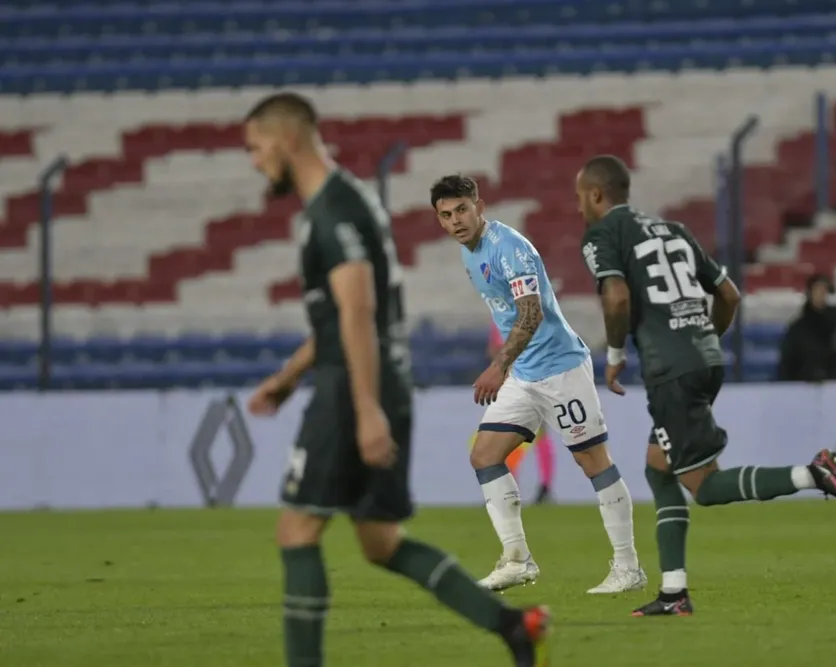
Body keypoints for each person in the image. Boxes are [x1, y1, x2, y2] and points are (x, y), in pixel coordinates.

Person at [241, 92, 549, 667]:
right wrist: (286, 380)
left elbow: (357, 314)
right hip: (373, 383)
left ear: (285, 139)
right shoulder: (343, 203)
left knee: (297, 531)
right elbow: (345, 314)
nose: (254, 161)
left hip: (352, 388)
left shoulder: (333, 210)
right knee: (380, 542)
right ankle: (513, 627)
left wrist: (365, 409)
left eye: (256, 148)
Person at [575, 154, 836, 618]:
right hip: (705, 357)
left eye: (580, 198)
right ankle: (674, 593)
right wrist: (704, 342)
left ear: (596, 195)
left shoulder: (602, 235)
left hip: (670, 371)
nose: (578, 208)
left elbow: (615, 297)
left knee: (705, 486)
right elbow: (729, 294)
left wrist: (614, 356)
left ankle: (815, 474)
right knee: (659, 465)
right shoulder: (673, 230)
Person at [431, 173, 646, 595]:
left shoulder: (508, 248)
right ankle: (517, 560)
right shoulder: (469, 254)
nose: (456, 220)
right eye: (446, 215)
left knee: (593, 463)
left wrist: (499, 365)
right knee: (485, 455)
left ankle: (628, 567)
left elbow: (531, 314)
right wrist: (510, 368)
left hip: (560, 369)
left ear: (480, 207)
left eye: (461, 210)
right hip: (525, 375)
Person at [488, 322, 556, 504]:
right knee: (516, 433)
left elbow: (496, 350)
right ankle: (529, 487)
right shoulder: (519, 313)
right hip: (520, 380)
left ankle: (540, 487)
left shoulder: (508, 315)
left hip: (526, 380)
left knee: (524, 432)